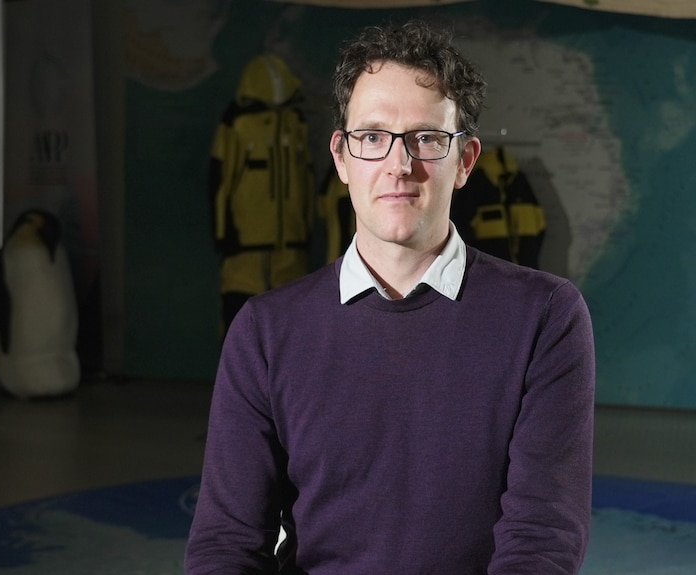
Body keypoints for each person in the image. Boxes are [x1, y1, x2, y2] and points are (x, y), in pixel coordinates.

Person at [185, 19, 596, 575]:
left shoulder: (545, 318)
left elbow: (540, 539)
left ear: (466, 160)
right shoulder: (265, 332)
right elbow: (226, 544)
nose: (399, 166)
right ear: (341, 156)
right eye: (373, 137)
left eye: (427, 139)